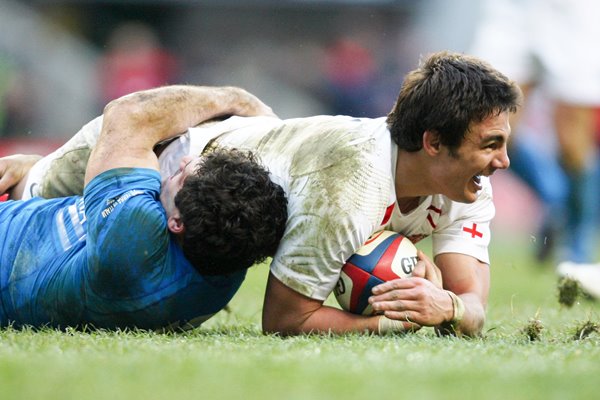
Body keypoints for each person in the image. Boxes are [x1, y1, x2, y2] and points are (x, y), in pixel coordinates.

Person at [1, 51, 521, 337]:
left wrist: (447, 307)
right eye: (491, 144)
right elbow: (286, 320)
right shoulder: (348, 190)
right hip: (171, 150)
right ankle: (35, 173)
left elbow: (473, 306)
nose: (504, 161)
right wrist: (390, 322)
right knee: (19, 192)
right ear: (433, 144)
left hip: (232, 173)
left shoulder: (467, 183)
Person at [0, 85, 288, 330]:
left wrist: (236, 99)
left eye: (179, 176)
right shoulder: (225, 267)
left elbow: (129, 114)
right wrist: (34, 169)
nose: (183, 162)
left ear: (177, 222)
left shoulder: (134, 233)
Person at [470, 0, 600, 281]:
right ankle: (555, 199)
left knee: (574, 143)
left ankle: (576, 251)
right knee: (491, 125)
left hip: (573, 11)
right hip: (514, 10)